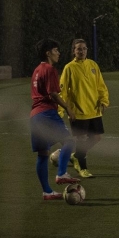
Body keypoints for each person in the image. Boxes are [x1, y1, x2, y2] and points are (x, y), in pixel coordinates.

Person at [29, 38, 80, 201]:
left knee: (43, 155)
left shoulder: (37, 70)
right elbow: (53, 94)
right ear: (48, 53)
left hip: (35, 116)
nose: (58, 53)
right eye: (56, 50)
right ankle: (62, 173)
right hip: (47, 114)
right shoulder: (50, 69)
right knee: (70, 141)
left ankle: (47, 192)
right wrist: (68, 108)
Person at [59, 39, 110, 179]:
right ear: (73, 51)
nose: (81, 51)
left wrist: (104, 101)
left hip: (93, 110)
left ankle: (76, 156)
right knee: (81, 140)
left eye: (84, 48)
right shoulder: (69, 68)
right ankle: (83, 168)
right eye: (78, 49)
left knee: (97, 137)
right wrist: (61, 109)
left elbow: (101, 85)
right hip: (78, 112)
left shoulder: (93, 65)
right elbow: (62, 91)